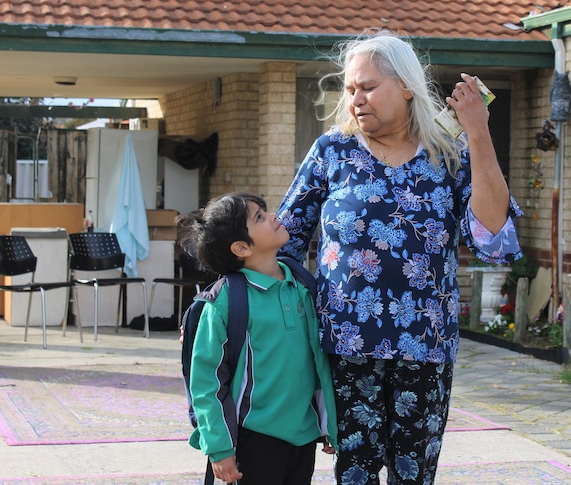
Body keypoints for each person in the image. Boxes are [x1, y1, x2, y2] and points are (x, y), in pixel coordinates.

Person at [276, 31, 524, 484]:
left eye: (368, 87)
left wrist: (478, 131)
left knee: (414, 476)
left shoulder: (448, 153)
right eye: (350, 89)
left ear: (407, 86)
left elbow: (491, 237)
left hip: (424, 348)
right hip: (345, 347)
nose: (356, 99)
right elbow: (282, 242)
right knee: (354, 474)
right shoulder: (333, 151)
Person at [179, 192, 337, 485]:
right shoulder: (226, 302)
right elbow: (206, 381)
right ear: (241, 247)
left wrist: (329, 424)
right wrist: (219, 447)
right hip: (253, 440)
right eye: (259, 217)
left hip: (303, 436)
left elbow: (318, 365)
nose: (274, 216)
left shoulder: (301, 284)